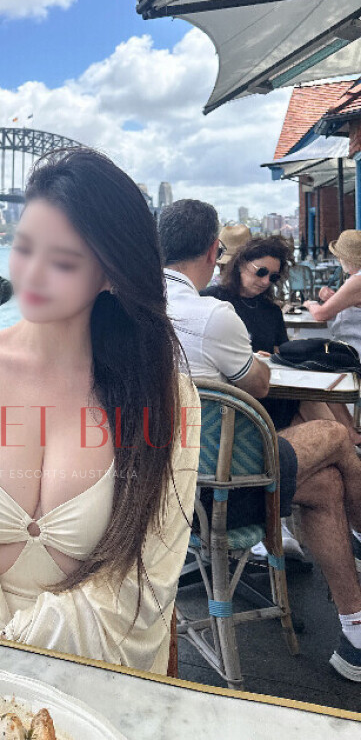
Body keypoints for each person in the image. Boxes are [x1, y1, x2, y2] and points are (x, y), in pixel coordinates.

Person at [0, 147, 201, 673]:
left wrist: (21, 649)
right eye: (24, 247)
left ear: (111, 275)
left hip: (101, 664)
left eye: (63, 261)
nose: (32, 275)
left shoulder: (167, 396)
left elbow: (149, 575)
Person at [158, 199, 361, 682]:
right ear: (215, 252)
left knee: (326, 485)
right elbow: (258, 384)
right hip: (222, 488)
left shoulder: (126, 307)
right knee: (336, 436)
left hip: (162, 487)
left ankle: (356, 633)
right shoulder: (214, 314)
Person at [207, 234, 361, 446]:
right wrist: (251, 358)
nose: (265, 281)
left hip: (272, 394)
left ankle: (348, 443)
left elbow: (281, 352)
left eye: (273, 277)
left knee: (326, 425)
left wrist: (273, 357)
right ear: (241, 263)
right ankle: (349, 443)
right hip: (234, 400)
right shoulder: (212, 300)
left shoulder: (271, 310)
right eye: (261, 272)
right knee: (328, 430)